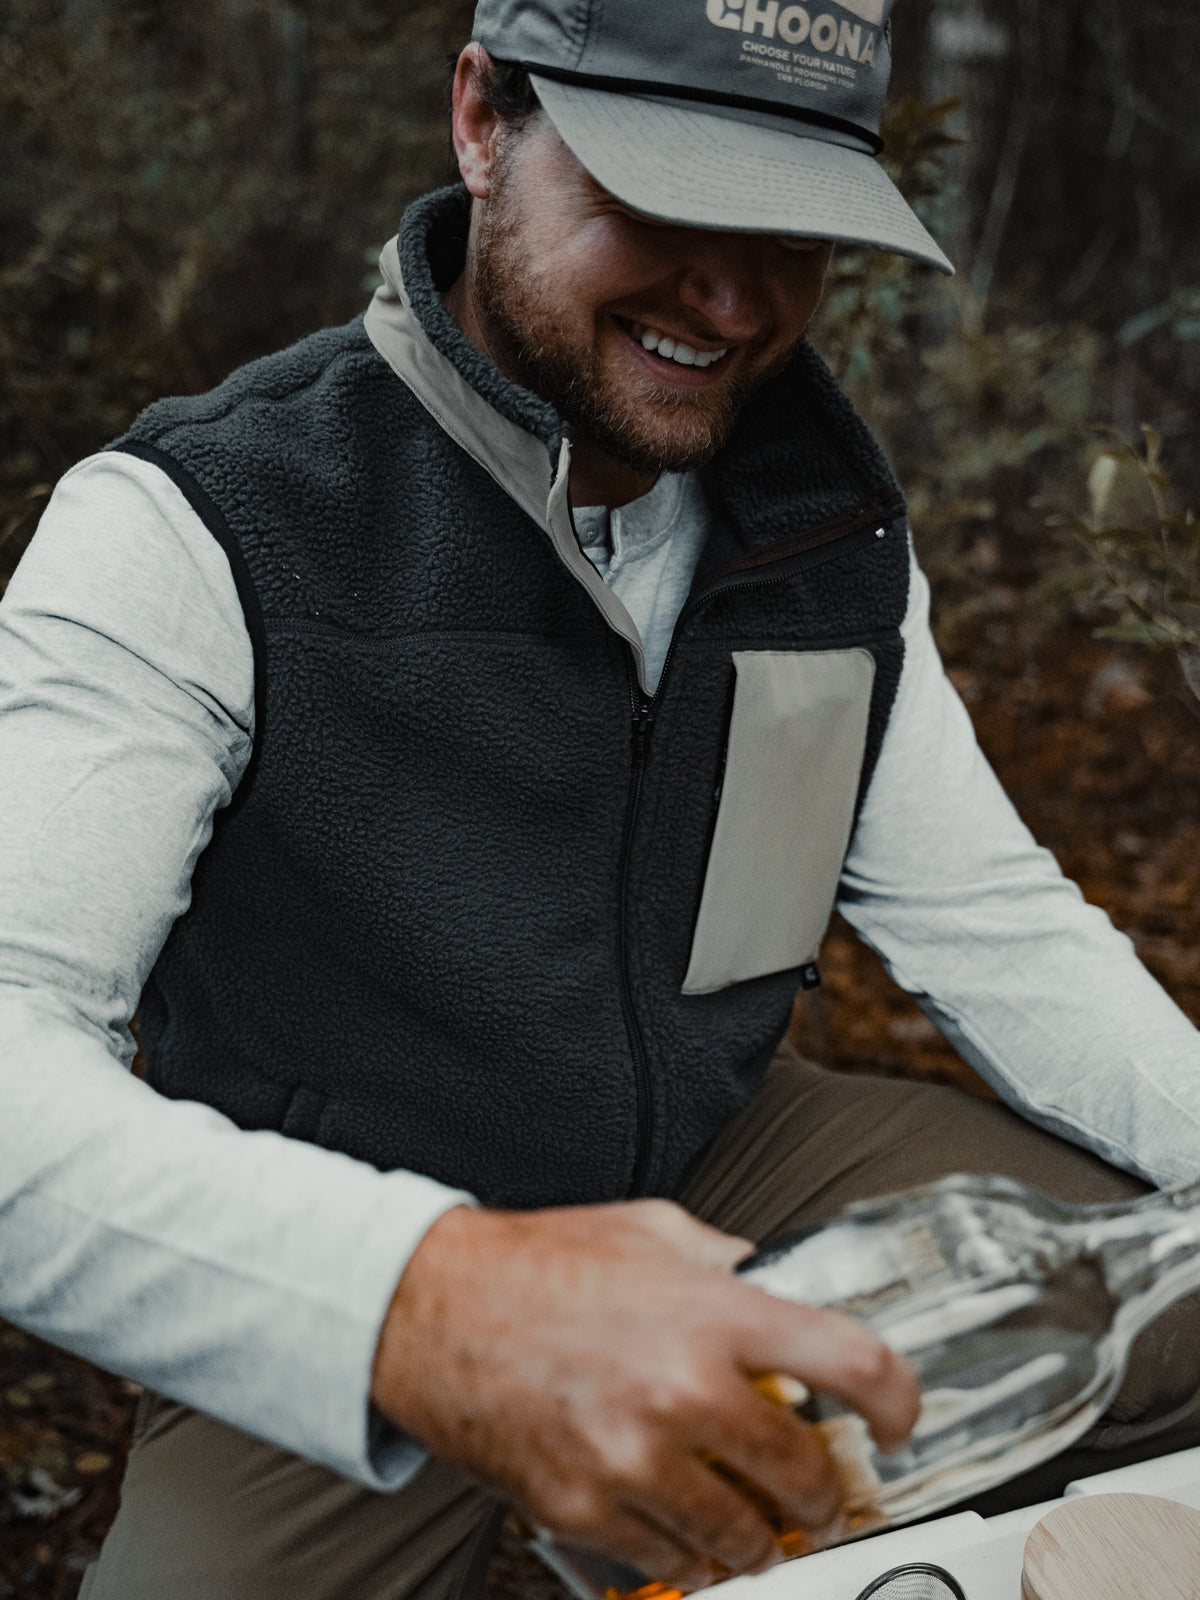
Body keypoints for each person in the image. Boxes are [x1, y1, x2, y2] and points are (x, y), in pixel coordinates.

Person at [2, 1, 1200, 1596]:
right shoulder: (198, 527)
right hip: (357, 1247)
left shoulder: (821, 535)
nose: (730, 288)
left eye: (795, 221)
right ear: (484, 120)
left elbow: (997, 924)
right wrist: (431, 1303)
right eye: (665, 193)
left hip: (725, 1164)